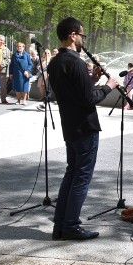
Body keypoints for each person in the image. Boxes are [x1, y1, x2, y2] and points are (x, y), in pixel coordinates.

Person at [48, 17, 118, 240]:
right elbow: (89, 100)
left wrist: (91, 79)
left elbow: (77, 93)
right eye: (82, 35)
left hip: (70, 125)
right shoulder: (76, 62)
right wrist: (108, 87)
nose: (83, 40)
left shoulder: (56, 62)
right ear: (72, 35)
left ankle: (60, 226)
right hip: (85, 126)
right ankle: (71, 226)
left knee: (72, 173)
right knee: (82, 177)